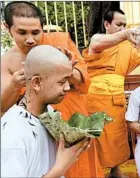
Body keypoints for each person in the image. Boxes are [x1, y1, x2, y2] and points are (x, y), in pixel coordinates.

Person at [1, 2, 104, 177]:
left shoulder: (60, 41)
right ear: (7, 27)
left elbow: (84, 84)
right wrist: (14, 85)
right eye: (22, 33)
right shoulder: (6, 62)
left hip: (71, 120)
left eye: (36, 32)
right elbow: (2, 107)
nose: (30, 39)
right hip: (38, 128)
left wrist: (66, 70)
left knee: (82, 167)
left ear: (42, 27)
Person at [82, 9, 140, 177]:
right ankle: (96, 172)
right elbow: (96, 44)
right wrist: (125, 34)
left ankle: (115, 171)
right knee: (98, 137)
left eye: (125, 25)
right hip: (96, 98)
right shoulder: (98, 39)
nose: (122, 28)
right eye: (118, 25)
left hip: (116, 98)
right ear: (107, 25)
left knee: (117, 136)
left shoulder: (126, 47)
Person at [1, 45, 90, 177]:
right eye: (62, 82)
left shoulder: (48, 112)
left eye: (68, 81)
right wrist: (61, 167)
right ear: (36, 83)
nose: (67, 88)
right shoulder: (13, 133)